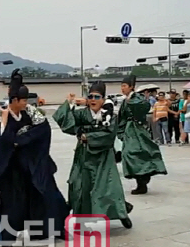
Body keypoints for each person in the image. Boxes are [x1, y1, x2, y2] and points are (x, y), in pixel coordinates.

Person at [0, 70, 68, 247]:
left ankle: (55, 229)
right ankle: (6, 239)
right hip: (13, 168)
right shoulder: (3, 115)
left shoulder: (32, 112)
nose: (27, 104)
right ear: (15, 100)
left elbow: (43, 131)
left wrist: (21, 140)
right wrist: (5, 124)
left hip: (35, 164)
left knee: (50, 195)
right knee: (11, 204)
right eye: (24, 100)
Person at [53, 81, 133, 229]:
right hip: (84, 156)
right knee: (80, 187)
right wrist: (69, 103)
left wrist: (87, 137)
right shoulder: (82, 113)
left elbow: (109, 135)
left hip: (103, 157)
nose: (93, 100)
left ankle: (121, 214)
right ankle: (80, 222)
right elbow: (65, 121)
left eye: (97, 97)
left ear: (103, 99)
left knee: (108, 188)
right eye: (90, 96)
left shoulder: (109, 116)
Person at [117, 75, 168, 194]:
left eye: (124, 86)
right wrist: (120, 132)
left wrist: (132, 102)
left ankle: (143, 179)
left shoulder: (137, 98)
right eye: (122, 86)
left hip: (139, 129)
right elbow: (122, 118)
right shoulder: (125, 100)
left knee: (140, 153)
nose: (122, 88)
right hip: (129, 130)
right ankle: (140, 180)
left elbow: (144, 107)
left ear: (131, 87)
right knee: (129, 154)